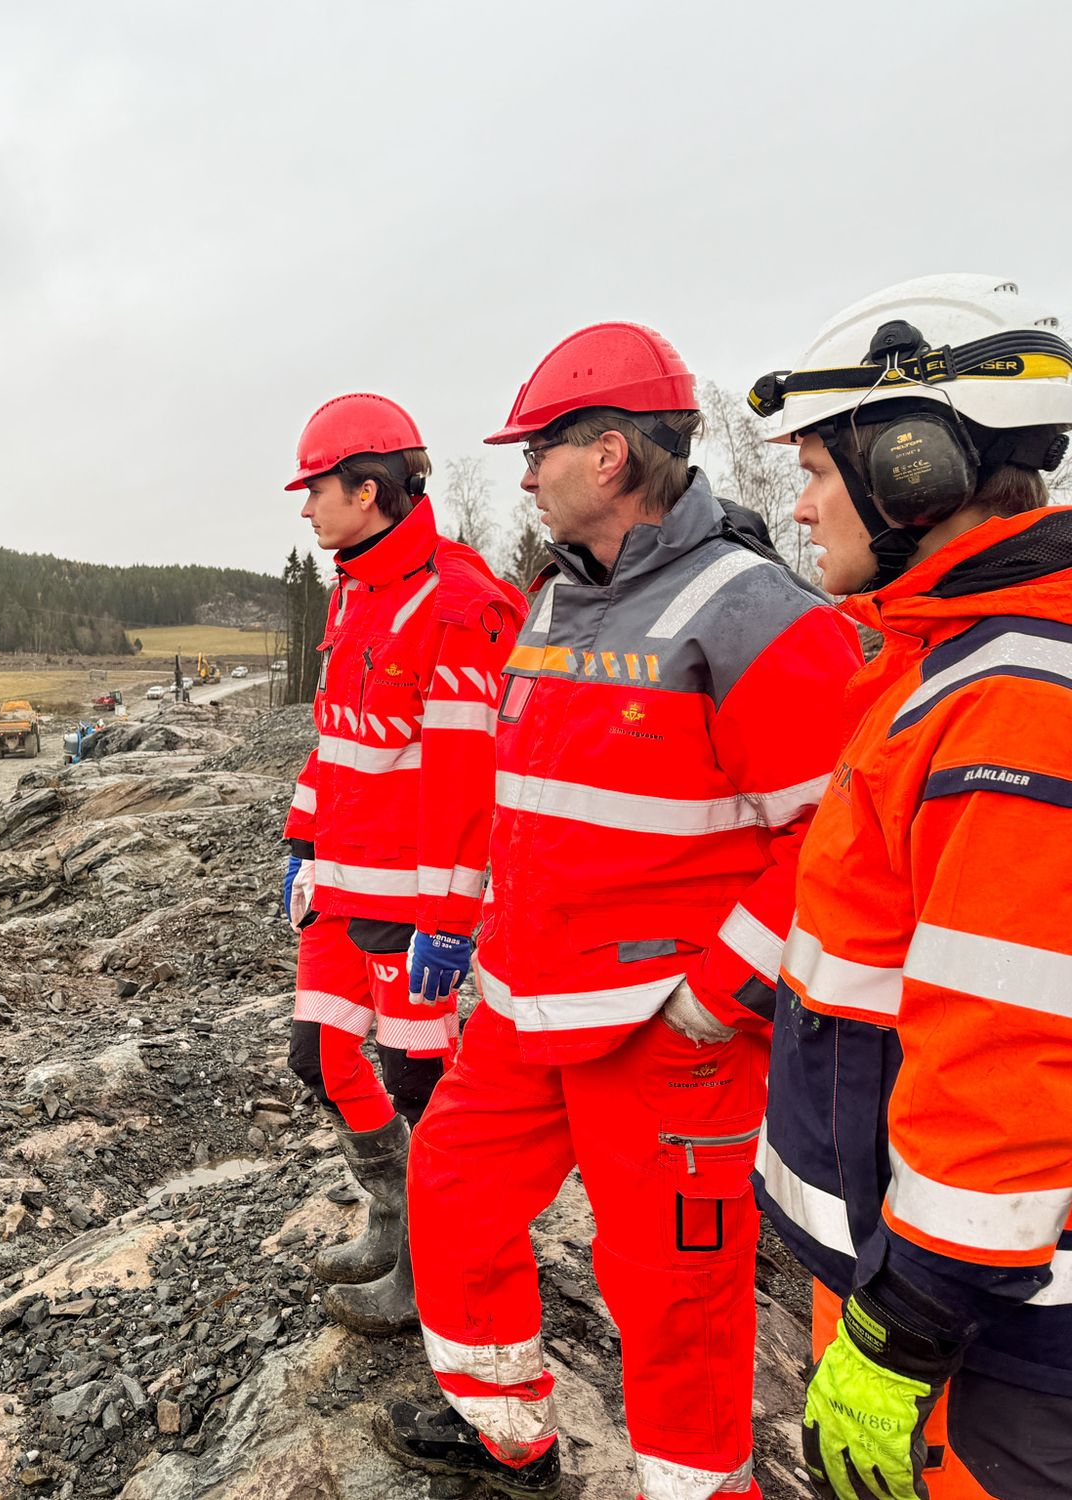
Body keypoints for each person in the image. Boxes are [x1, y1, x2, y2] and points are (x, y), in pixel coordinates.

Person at [374, 324, 864, 1499]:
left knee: (670, 1291)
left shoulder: (753, 614)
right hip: (524, 1003)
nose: (524, 475)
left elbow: (836, 840)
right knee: (448, 1190)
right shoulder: (555, 605)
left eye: (536, 452)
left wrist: (717, 996)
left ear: (607, 454)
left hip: (666, 1029)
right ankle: (507, 1434)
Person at [746, 273, 1072, 1500]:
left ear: (910, 466)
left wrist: (902, 1334)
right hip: (924, 1299)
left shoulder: (1011, 702)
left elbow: (1005, 1053)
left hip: (986, 1348)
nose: (800, 502)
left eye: (817, 471)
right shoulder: (944, 663)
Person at [280, 392, 524, 1335]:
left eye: (317, 490)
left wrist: (449, 924)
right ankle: (392, 1215)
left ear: (369, 490)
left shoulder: (461, 606)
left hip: (411, 914)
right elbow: (335, 740)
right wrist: (301, 840)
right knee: (321, 1059)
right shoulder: (355, 588)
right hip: (337, 889)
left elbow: (471, 787)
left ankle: (431, 1271)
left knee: (421, 1089)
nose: (307, 509)